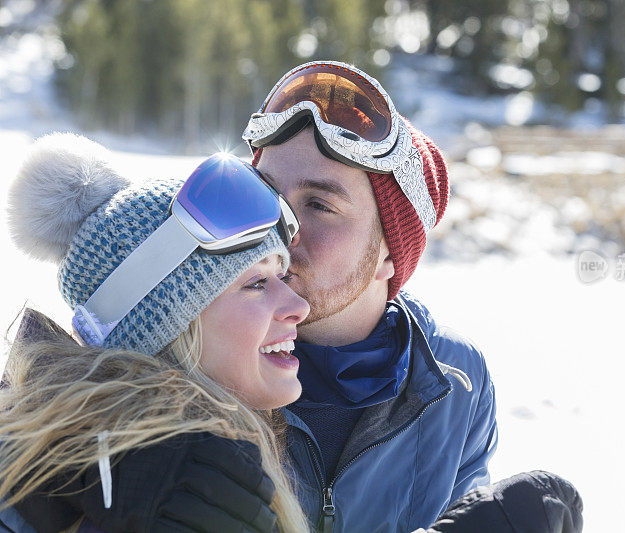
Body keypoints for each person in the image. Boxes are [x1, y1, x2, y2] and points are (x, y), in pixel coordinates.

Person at [0, 133, 310, 532]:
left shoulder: (102, 477)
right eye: (256, 283)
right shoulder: (186, 498)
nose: (299, 307)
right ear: (167, 328)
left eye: (281, 277)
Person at [241, 60, 499, 532]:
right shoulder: (199, 352)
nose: (278, 229)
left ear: (390, 256)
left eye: (319, 205)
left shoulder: (456, 383)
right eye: (265, 193)